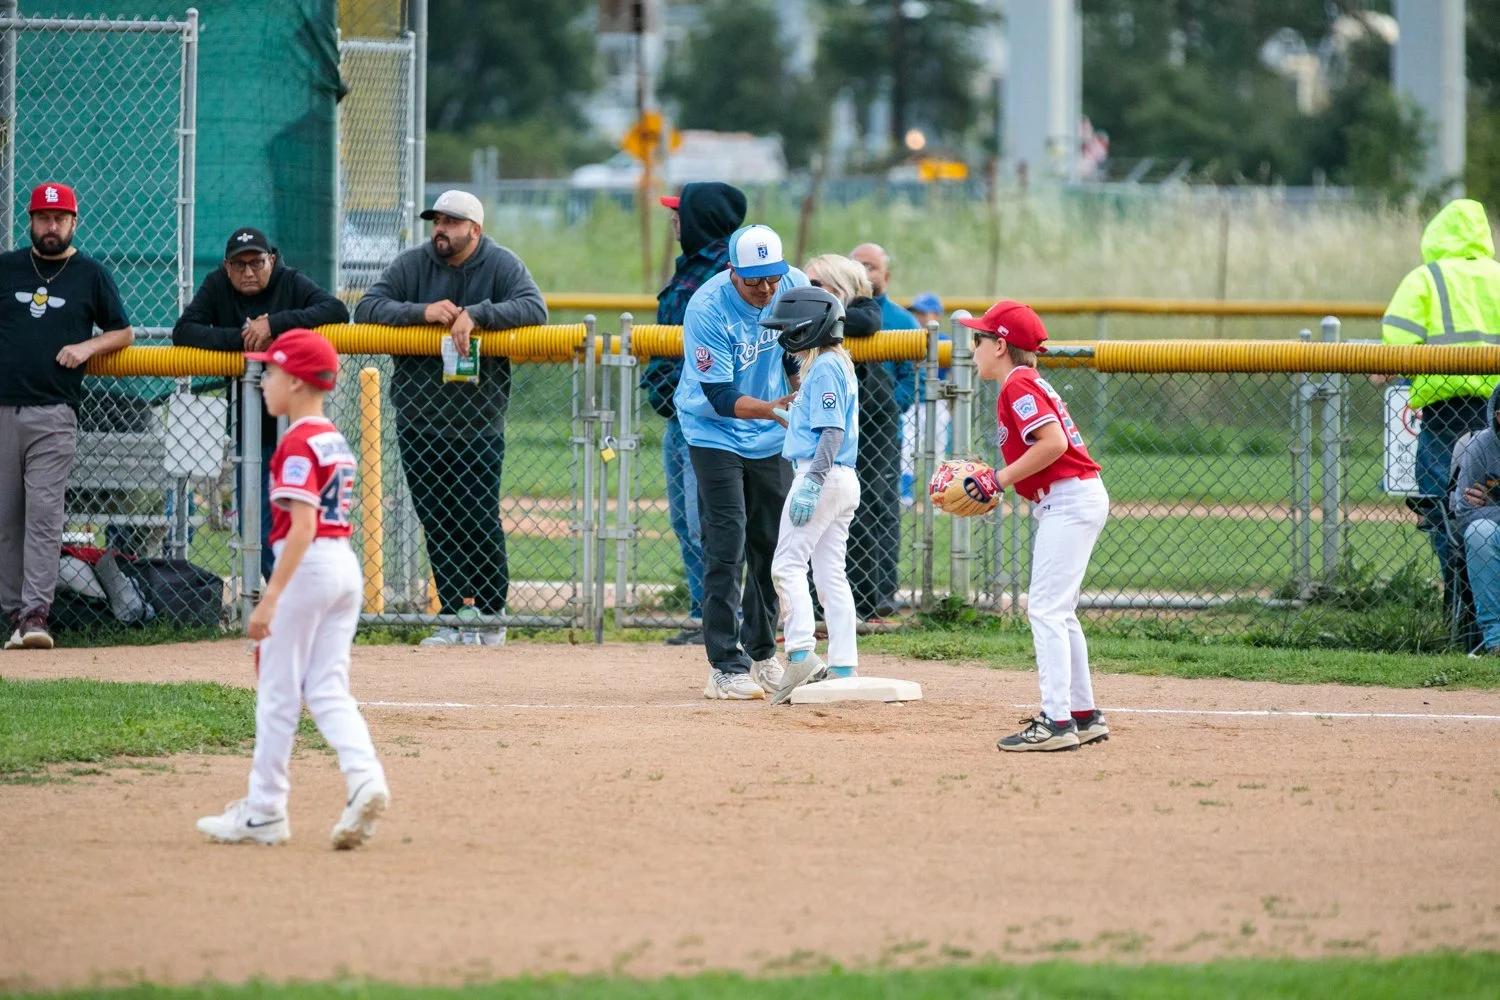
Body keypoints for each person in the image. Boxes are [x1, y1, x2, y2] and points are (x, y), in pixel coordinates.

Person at [196, 329, 389, 847]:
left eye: (273, 372)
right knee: (326, 687)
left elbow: (301, 527)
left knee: (279, 694)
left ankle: (263, 811)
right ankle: (366, 777)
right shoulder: (333, 436)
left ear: (300, 383)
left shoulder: (298, 441)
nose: (262, 382)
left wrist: (271, 599)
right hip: (342, 567)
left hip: (307, 567)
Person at [354, 189, 546, 647]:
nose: (440, 229)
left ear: (475, 230)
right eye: (436, 221)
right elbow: (367, 308)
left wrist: (477, 315)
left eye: (452, 222)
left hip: (478, 419)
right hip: (419, 417)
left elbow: (534, 308)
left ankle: (492, 613)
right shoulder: (413, 264)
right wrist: (421, 312)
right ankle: (456, 616)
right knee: (437, 518)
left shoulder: (500, 264)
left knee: (477, 516)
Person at [960, 301, 1110, 752]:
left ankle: (1057, 722)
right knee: (1058, 611)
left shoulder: (1017, 383)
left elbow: (1054, 443)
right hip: (1073, 497)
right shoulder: (1024, 380)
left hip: (1070, 498)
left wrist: (996, 481)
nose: (974, 347)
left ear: (1001, 345)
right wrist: (1000, 484)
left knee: (1044, 609)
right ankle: (1083, 715)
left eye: (979, 339)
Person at [172, 226, 349, 581]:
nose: (249, 272)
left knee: (289, 523)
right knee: (253, 525)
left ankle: (291, 597)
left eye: (256, 262)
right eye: (239, 265)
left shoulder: (289, 281)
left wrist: (275, 324)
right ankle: (276, 599)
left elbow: (336, 310)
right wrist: (242, 340)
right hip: (245, 427)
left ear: (272, 259)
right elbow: (184, 330)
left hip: (293, 428)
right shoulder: (217, 284)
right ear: (226, 266)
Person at [676, 223, 808, 700]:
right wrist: (779, 407)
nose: (767, 289)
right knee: (726, 542)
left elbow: (797, 346)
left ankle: (762, 653)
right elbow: (720, 395)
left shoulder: (791, 284)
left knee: (771, 546)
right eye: (755, 281)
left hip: (770, 434)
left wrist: (799, 385)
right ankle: (724, 667)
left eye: (772, 278)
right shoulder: (708, 307)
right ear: (733, 271)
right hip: (714, 431)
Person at [1, 182, 133, 650]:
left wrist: (87, 345)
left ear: (74, 222)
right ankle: (11, 615)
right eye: (42, 218)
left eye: (59, 219)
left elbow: (123, 332)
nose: (50, 226)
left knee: (42, 516)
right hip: (2, 410)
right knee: (5, 517)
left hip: (54, 413)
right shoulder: (9, 267)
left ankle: (34, 616)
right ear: (31, 221)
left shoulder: (90, 274)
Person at [640, 182, 746, 645]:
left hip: (712, 416)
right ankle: (705, 615)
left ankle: (726, 620)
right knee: (687, 521)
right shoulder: (694, 268)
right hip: (679, 416)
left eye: (680, 213)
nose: (674, 220)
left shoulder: (725, 273)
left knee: (710, 521)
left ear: (701, 219)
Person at [1381, 199, 1500, 595]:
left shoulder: (1426, 279)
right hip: (1496, 414)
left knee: (1441, 505)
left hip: (1444, 415)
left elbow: (1395, 346)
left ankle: (1458, 595)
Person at [761, 287, 862, 704]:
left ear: (810, 327)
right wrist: (796, 422)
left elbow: (833, 431)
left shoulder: (823, 367)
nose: (785, 333)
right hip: (842, 478)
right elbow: (824, 426)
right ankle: (843, 664)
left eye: (789, 326)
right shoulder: (838, 362)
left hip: (820, 477)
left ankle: (800, 653)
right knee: (829, 573)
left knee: (786, 565)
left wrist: (813, 481)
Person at [847, 242, 918, 619]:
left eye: (871, 266)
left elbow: (911, 380)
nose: (865, 272)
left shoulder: (902, 321)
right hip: (839, 424)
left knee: (881, 505)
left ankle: (882, 592)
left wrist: (891, 404)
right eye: (857, 265)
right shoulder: (836, 314)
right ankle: (845, 591)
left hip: (881, 429)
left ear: (885, 276)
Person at [1450, 384, 1500, 657]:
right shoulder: (1479, 446)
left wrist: (1493, 499)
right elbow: (1465, 511)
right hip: (1494, 533)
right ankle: (1496, 641)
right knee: (1480, 532)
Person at [900, 291, 952, 506]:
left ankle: (939, 497)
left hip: (936, 403)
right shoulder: (907, 335)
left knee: (938, 450)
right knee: (907, 449)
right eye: (917, 312)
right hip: (912, 403)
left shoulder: (944, 341)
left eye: (924, 312)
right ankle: (905, 494)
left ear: (936, 314)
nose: (920, 317)